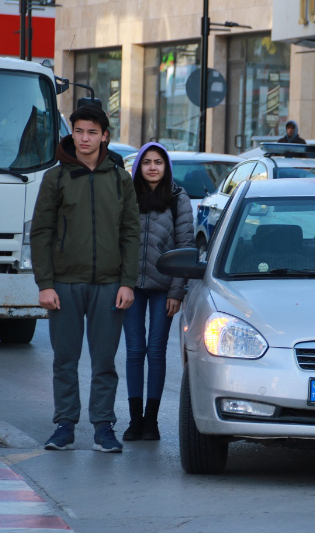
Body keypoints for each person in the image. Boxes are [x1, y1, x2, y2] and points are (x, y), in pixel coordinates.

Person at [30, 105, 140, 453]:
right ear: (71, 133)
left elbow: (130, 232)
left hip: (109, 285)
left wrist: (127, 281)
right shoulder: (56, 177)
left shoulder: (120, 179)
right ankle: (64, 425)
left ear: (104, 136)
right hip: (64, 283)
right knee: (65, 359)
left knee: (104, 361)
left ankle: (103, 427)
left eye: (92, 132)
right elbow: (41, 232)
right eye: (79, 131)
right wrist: (45, 283)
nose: (85, 138)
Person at [122, 143, 194, 441]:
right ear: (138, 166)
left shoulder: (178, 198)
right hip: (131, 287)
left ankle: (151, 420)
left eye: (159, 162)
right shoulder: (127, 196)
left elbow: (186, 246)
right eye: (147, 162)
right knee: (134, 351)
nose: (153, 167)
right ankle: (134, 420)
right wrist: (120, 282)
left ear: (166, 167)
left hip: (164, 289)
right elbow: (119, 240)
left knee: (156, 351)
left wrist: (177, 291)